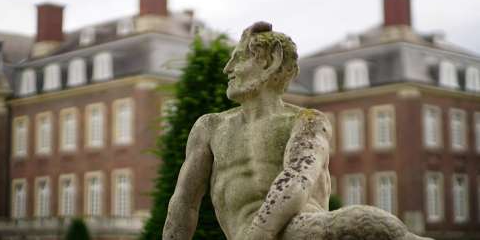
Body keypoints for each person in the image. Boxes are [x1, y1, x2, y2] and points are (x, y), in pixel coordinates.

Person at [162, 22, 432, 240]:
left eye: (239, 59)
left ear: (270, 62)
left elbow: (297, 180)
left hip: (300, 231)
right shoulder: (210, 127)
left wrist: (258, 234)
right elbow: (184, 204)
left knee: (366, 223)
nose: (227, 68)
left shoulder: (307, 120)